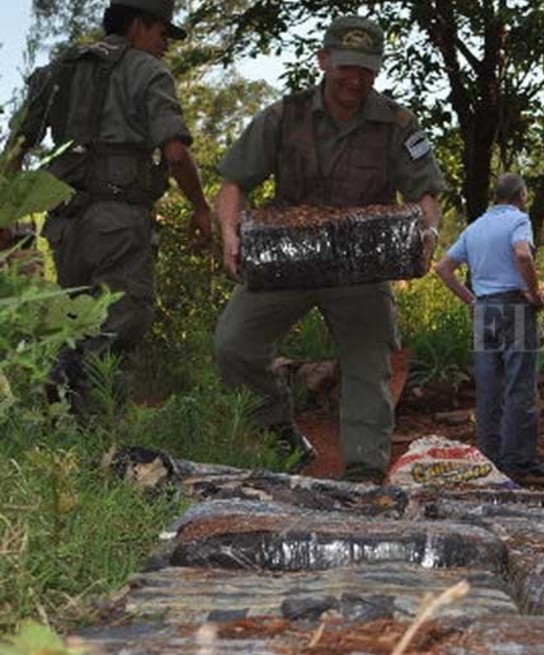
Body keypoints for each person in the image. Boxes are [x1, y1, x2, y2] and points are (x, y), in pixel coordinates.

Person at [213, 15, 446, 482]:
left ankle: (364, 473)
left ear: (377, 71)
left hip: (362, 267)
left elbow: (428, 194)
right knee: (233, 344)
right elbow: (235, 182)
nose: (354, 79)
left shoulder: (400, 125)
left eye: (365, 70)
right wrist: (230, 233)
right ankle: (280, 434)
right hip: (287, 261)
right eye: (345, 67)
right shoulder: (282, 116)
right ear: (324, 61)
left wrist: (428, 233)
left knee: (369, 361)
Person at [10, 0, 211, 408]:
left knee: (78, 322)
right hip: (119, 221)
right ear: (138, 24)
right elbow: (175, 152)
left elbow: (16, 148)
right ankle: (96, 434)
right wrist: (201, 207)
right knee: (119, 328)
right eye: (161, 33)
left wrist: (6, 212)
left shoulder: (56, 71)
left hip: (65, 225)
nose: (165, 46)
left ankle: (56, 412)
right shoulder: (147, 71)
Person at [435, 173, 544, 482]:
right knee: (520, 386)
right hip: (514, 308)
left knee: (489, 388)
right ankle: (518, 462)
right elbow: (522, 254)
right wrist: (534, 294)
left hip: (483, 311)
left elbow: (443, 268)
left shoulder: (475, 227)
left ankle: (489, 461)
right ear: (522, 196)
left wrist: (471, 300)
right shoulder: (518, 220)